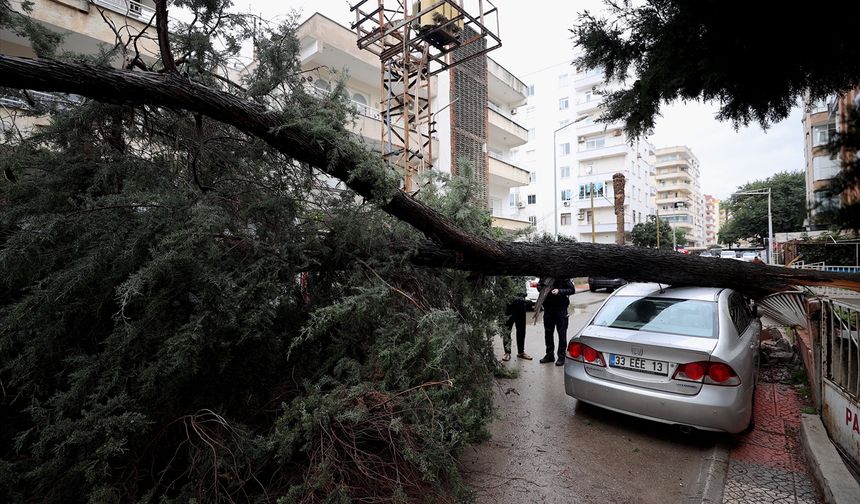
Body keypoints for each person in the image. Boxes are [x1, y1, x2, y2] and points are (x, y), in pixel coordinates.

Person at [537, 277, 575, 366]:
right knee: (548, 333)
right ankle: (550, 355)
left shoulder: (563, 276)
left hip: (561, 309)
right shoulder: (545, 276)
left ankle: (561, 357)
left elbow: (572, 290)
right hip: (548, 309)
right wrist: (543, 289)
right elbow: (539, 285)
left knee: (562, 334)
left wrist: (559, 291)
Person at [501, 293, 531, 361]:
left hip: (521, 306)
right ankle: (507, 352)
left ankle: (521, 352)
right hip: (508, 306)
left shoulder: (521, 281)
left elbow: (524, 292)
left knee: (521, 330)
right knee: (507, 330)